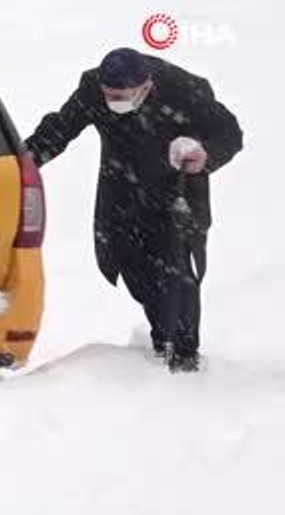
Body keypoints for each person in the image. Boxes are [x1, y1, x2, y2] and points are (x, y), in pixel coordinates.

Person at [24, 48, 243, 371]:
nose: (114, 101)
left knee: (175, 270)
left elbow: (229, 132)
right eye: (109, 95)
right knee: (134, 269)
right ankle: (160, 343)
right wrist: (23, 162)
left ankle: (184, 356)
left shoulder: (184, 90)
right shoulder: (92, 89)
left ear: (146, 85)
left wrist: (204, 154)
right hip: (123, 191)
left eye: (122, 96)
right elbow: (60, 128)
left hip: (178, 191)